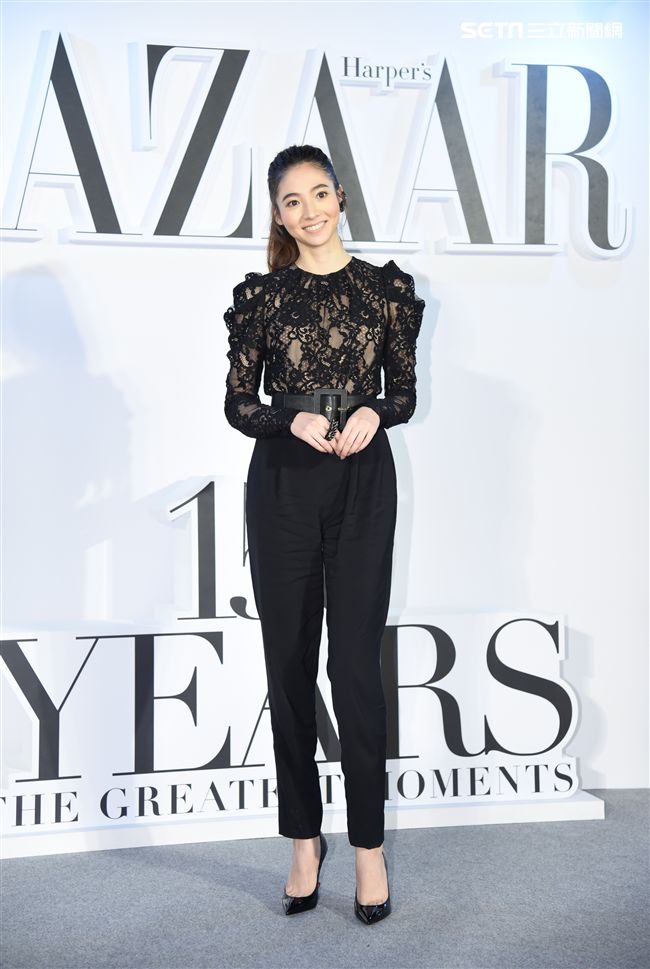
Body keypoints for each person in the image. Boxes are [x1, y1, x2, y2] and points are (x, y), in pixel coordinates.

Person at [223, 144, 425, 924]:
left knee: (356, 669)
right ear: (278, 216)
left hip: (363, 482)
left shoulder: (384, 290)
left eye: (318, 194)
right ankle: (304, 840)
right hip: (282, 483)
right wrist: (288, 418)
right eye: (290, 201)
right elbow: (239, 403)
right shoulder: (261, 297)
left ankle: (368, 846)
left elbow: (403, 391)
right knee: (289, 664)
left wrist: (375, 410)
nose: (307, 210)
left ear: (341, 197)